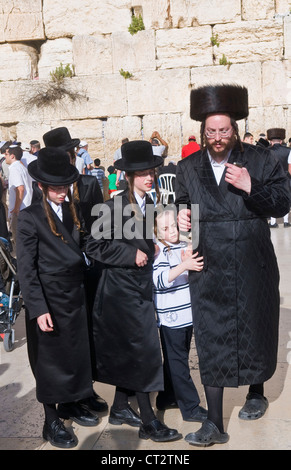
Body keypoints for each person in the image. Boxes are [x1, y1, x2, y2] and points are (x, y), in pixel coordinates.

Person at [175, 84, 290, 447]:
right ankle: (214, 424)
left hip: (252, 259)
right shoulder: (187, 165)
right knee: (212, 337)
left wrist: (251, 185)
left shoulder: (259, 159)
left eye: (224, 130)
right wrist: (179, 212)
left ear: (235, 128)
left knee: (256, 324)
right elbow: (180, 198)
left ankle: (256, 391)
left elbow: (282, 203)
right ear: (202, 131)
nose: (218, 137)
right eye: (211, 131)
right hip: (208, 264)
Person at [86, 140, 181, 443]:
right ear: (128, 175)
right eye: (141, 173)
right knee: (144, 352)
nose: (149, 177)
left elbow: (146, 236)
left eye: (150, 171)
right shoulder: (113, 206)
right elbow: (92, 245)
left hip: (143, 287)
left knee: (134, 351)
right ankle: (149, 421)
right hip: (119, 291)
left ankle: (118, 408)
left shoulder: (151, 202)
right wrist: (130, 255)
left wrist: (157, 244)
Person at [16, 147, 99, 448]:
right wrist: (38, 309)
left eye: (65, 186)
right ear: (41, 186)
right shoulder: (28, 218)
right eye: (56, 187)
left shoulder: (72, 210)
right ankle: (51, 422)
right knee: (50, 362)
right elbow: (26, 270)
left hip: (74, 296)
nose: (62, 192)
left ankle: (72, 402)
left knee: (75, 355)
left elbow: (90, 244)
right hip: (48, 299)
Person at [153, 206, 207, 423]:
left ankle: (166, 397)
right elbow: (160, 280)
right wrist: (184, 264)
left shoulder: (183, 245)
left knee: (177, 360)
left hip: (188, 316)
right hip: (171, 318)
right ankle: (191, 407)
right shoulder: (160, 251)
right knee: (179, 364)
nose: (172, 232)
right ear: (157, 233)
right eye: (165, 229)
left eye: (173, 226)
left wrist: (189, 256)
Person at [5, 145, 32, 255]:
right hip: (25, 208)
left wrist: (16, 209)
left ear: (12, 156)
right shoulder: (21, 167)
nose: (4, 156)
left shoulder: (15, 168)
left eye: (6, 154)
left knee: (19, 242)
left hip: (20, 210)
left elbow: (20, 189)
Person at [267, 128, 291, 228]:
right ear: (281, 141)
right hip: (285, 177)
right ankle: (286, 222)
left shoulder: (267, 151)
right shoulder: (288, 150)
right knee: (285, 198)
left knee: (273, 199)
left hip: (272, 178)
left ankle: (273, 222)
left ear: (271, 141)